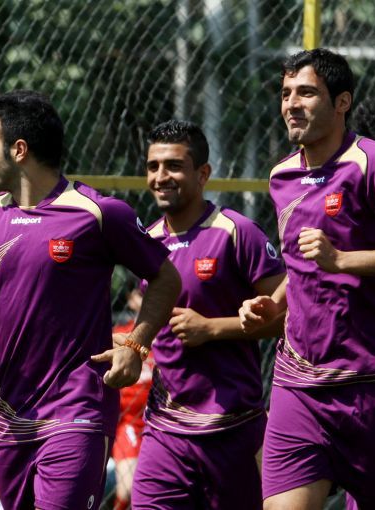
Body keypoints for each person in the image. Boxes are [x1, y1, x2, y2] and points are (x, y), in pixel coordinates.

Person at [0, 91, 181, 510]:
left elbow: (166, 277)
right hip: (11, 416)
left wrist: (136, 344)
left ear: (19, 150)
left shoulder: (97, 213)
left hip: (76, 411)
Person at [239, 48, 375, 509]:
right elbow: (301, 266)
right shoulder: (282, 176)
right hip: (297, 386)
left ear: (342, 102)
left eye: (306, 93)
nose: (292, 104)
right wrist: (273, 303)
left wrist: (343, 260)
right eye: (286, 93)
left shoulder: (374, 163)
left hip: (372, 385)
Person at [129, 120, 285, 509]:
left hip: (232, 429)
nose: (160, 177)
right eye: (153, 166)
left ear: (202, 174)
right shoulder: (146, 243)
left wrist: (213, 328)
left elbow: (290, 318)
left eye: (174, 166)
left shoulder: (237, 232)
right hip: (164, 432)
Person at [110, 286, 154, 510]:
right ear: (131, 299)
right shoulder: (120, 334)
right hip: (130, 422)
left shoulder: (163, 338)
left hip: (158, 417)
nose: (146, 299)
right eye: (141, 293)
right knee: (128, 488)